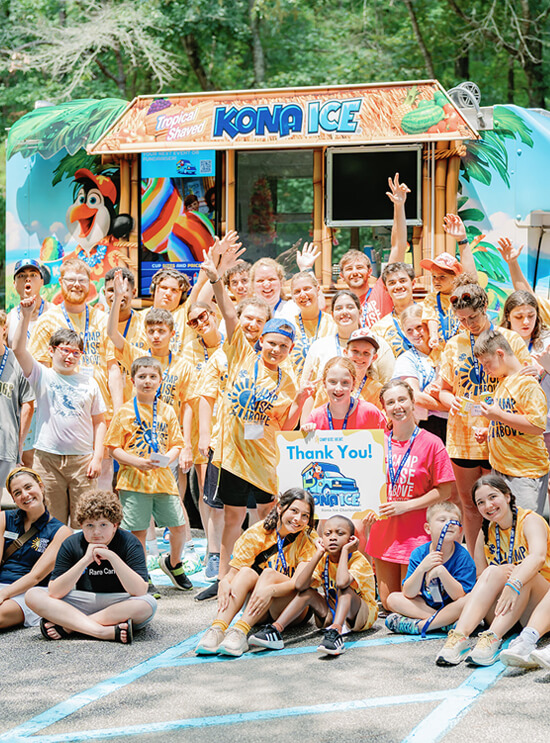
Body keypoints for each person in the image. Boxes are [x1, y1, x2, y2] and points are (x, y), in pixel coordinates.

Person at [200, 244, 315, 589]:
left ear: (290, 350)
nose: (276, 350)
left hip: (264, 458)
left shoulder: (288, 378)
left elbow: (285, 424)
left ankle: (260, 574)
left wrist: (302, 401)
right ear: (261, 340)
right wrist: (216, 280)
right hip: (234, 456)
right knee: (232, 517)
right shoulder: (239, 353)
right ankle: (225, 579)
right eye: (271, 343)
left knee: (267, 516)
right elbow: (228, 312)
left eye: (283, 346)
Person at [437, 279, 531, 553]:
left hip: (500, 436)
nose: (469, 324)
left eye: (473, 317)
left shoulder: (510, 339)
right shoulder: (453, 345)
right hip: (463, 437)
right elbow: (442, 389)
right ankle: (476, 564)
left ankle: (505, 557)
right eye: (462, 320)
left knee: (500, 504)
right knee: (469, 504)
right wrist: (450, 400)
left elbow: (526, 380)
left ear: (486, 308)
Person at [435, 475, 550, 667]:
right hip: (503, 608)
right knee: (492, 572)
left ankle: (492, 639)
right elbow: (482, 578)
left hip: (538, 606)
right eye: (481, 502)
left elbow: (537, 557)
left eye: (493, 497)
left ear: (507, 496)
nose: (488, 505)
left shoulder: (530, 520)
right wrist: (503, 574)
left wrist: (514, 582)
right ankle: (458, 639)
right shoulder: (486, 531)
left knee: (524, 571)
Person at [13, 297, 106, 525]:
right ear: (51, 350)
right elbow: (18, 349)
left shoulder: (90, 383)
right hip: (47, 460)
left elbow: (100, 421)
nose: (70, 356)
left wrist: (97, 457)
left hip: (82, 461)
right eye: (65, 350)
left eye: (76, 353)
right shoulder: (42, 375)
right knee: (51, 521)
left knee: (85, 519)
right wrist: (26, 315)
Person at [194, 488, 317, 657]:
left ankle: (240, 632)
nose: (298, 519)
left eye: (305, 515)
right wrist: (224, 582)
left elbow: (297, 583)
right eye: (294, 511)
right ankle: (217, 629)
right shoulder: (257, 533)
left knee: (268, 574)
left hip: (291, 608)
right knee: (245, 572)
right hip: (260, 606)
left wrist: (270, 590)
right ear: (280, 508)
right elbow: (233, 573)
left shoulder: (308, 538)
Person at [103, 356, 191, 591]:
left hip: (163, 481)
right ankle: (142, 574)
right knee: (138, 531)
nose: (147, 381)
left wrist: (167, 459)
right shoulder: (124, 412)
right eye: (142, 377)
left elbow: (177, 444)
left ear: (160, 380)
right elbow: (113, 448)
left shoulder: (167, 411)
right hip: (133, 482)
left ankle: (174, 563)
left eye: (153, 377)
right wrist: (138, 463)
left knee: (178, 526)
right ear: (133, 380)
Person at [366, 380, 455, 609]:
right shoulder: (375, 443)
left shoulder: (432, 443)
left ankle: (434, 620)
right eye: (390, 402)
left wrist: (405, 506)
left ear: (413, 402)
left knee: (411, 599)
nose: (397, 406)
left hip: (416, 535)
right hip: (384, 533)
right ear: (384, 408)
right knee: (388, 603)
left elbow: (445, 491)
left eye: (402, 399)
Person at [26, 490, 156, 644]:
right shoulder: (71, 543)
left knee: (147, 604)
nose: (96, 532)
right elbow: (55, 592)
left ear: (115, 525)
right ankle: (102, 631)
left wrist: (112, 557)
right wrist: (85, 560)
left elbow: (139, 590)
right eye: (89, 525)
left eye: (103, 524)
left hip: (119, 602)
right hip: (82, 601)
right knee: (33, 595)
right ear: (81, 525)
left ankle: (69, 627)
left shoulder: (130, 542)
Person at [248, 515, 377, 656]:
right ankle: (275, 629)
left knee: (345, 591)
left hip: (361, 616)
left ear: (351, 540)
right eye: (328, 534)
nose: (333, 538)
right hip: (332, 612)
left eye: (340, 534)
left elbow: (342, 582)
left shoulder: (358, 560)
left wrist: (346, 550)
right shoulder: (324, 558)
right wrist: (318, 553)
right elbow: (300, 585)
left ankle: (336, 633)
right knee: (307, 593)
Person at [472, 330, 549, 514]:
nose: (485, 370)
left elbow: (537, 425)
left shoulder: (527, 384)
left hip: (524, 472)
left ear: (500, 354)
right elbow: (511, 422)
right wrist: (489, 432)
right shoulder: (503, 383)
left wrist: (499, 416)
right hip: (502, 471)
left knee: (526, 525)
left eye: (487, 363)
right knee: (509, 526)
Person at [385, 501, 475, 635]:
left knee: (469, 599)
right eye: (442, 520)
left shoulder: (463, 556)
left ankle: (420, 625)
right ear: (428, 528)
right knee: (392, 599)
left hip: (453, 607)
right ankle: (444, 623)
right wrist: (422, 568)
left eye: (454, 521)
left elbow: (459, 596)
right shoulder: (419, 553)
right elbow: (408, 593)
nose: (449, 524)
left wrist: (442, 572)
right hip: (427, 606)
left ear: (460, 530)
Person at [0, 467, 70, 630]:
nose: (25, 495)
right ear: (13, 499)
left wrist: (3, 594)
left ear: (41, 486)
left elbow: (35, 576)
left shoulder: (61, 532)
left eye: (28, 487)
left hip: (29, 592)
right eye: (17, 493)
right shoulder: (4, 518)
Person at [338, 173, 409, 328]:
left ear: (370, 272)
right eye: (349, 269)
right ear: (342, 276)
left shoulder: (381, 290)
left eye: (359, 267)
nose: (355, 272)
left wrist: (399, 206)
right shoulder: (341, 304)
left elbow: (398, 246)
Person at [300, 289, 395, 394]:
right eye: (339, 308)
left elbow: (390, 386)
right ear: (332, 315)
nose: (344, 312)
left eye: (350, 307)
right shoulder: (319, 347)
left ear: (360, 312)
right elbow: (306, 389)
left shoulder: (380, 345)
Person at [28, 258, 105, 377]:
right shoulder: (46, 322)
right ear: (60, 281)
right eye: (71, 280)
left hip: (99, 389)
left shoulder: (103, 320)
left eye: (82, 280)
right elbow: (40, 372)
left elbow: (113, 369)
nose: (77, 284)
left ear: (89, 282)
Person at [420, 213, 477, 349]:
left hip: (466, 350)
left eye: (442, 276)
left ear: (455, 277)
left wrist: (462, 239)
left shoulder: (465, 296)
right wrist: (434, 336)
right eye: (434, 276)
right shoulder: (431, 298)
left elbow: (472, 280)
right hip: (440, 352)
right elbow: (432, 318)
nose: (436, 280)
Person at [393, 304, 448, 442]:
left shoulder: (447, 352)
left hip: (453, 423)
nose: (415, 334)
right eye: (409, 330)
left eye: (419, 327)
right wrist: (449, 406)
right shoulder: (406, 359)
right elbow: (416, 397)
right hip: (425, 425)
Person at [302, 357, 386, 433]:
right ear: (324, 383)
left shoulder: (370, 413)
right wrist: (305, 435)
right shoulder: (315, 418)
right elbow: (303, 444)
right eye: (333, 382)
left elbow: (388, 439)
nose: (338, 388)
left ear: (353, 384)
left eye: (345, 382)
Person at [309, 329, 383, 414]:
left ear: (374, 357)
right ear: (345, 352)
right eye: (355, 351)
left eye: (366, 353)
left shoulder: (377, 390)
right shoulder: (330, 385)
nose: (360, 356)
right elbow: (318, 416)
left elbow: (381, 420)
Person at [0, 311, 35, 485]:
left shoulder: (17, 361)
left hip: (6, 447)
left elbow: (28, 405)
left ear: (4, 329)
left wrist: (19, 444)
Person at [288, 271, 336, 379]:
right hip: (297, 388)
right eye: (297, 291)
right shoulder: (288, 327)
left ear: (318, 290)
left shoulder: (333, 324)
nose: (302, 294)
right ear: (293, 297)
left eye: (307, 289)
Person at [370, 262, 417, 358]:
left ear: (413, 284)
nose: (398, 286)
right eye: (392, 283)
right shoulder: (379, 329)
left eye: (402, 281)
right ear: (386, 289)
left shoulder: (430, 315)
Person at [6, 258, 51, 348]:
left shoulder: (54, 313)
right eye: (21, 276)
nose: (27, 279)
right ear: (14, 284)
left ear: (41, 282)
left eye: (33, 275)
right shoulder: (9, 319)